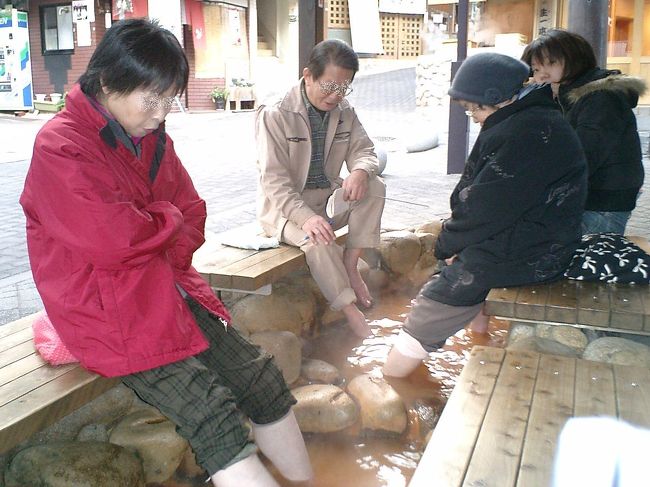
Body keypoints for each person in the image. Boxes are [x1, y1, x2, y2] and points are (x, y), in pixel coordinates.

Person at [20, 19, 313, 487]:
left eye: (169, 98)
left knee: (261, 378)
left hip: (162, 285)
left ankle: (310, 481)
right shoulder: (61, 145)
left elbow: (191, 209)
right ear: (107, 83)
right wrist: (164, 221)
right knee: (208, 409)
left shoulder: (151, 138)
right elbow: (114, 241)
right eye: (150, 98)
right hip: (101, 308)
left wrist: (157, 227)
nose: (160, 113)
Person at [382, 53, 588, 378]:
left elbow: (484, 208)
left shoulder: (526, 132)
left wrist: (447, 246)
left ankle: (392, 379)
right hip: (541, 240)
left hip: (533, 251)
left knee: (438, 296)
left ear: (499, 98)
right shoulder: (533, 117)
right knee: (462, 267)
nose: (474, 116)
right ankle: (480, 338)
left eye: (475, 108)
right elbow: (493, 202)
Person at [255, 39, 385, 338]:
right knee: (318, 240)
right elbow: (274, 181)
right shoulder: (275, 113)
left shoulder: (345, 110)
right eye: (329, 85)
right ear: (308, 75)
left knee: (375, 186)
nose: (336, 95)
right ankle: (350, 309)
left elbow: (365, 151)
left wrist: (360, 171)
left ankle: (351, 265)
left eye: (344, 87)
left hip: (325, 202)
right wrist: (306, 218)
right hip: (284, 213)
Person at [522, 29, 646, 235]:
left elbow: (585, 154)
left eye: (550, 63)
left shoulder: (600, 96)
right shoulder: (564, 93)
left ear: (574, 60)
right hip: (590, 194)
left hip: (603, 200)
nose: (541, 74)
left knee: (585, 257)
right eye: (535, 69)